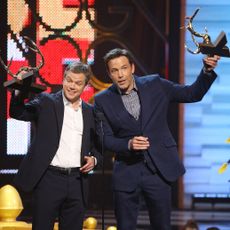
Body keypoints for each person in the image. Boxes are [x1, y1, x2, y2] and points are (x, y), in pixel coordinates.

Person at [93, 48, 220, 230]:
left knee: (162, 226)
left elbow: (192, 94)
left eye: (124, 68)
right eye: (114, 70)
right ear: (109, 74)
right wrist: (127, 144)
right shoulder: (102, 100)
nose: (120, 75)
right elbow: (104, 139)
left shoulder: (155, 84)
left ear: (132, 68)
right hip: (127, 172)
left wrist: (206, 72)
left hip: (159, 170)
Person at [10, 61, 101, 230]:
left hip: (77, 181)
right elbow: (18, 112)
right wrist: (19, 88)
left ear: (85, 86)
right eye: (69, 80)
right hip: (49, 180)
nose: (72, 86)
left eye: (78, 83)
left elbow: (99, 146)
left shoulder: (91, 112)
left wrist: (94, 159)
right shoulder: (47, 102)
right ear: (63, 79)